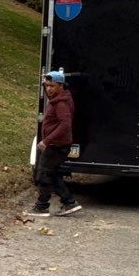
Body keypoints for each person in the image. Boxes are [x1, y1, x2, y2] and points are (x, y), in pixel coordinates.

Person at [33, 70, 82, 216]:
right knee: (52, 175)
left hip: (56, 146)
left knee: (43, 175)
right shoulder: (59, 98)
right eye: (46, 86)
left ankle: (42, 206)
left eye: (52, 86)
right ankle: (68, 203)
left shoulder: (61, 103)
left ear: (61, 86)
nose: (48, 89)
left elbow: (65, 125)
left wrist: (47, 140)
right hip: (57, 144)